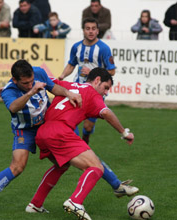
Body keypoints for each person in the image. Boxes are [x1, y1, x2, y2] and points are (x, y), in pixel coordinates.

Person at [0, 59, 82, 215]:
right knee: (17, 167)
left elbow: (53, 87)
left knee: (64, 162)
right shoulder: (9, 91)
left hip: (46, 125)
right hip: (25, 130)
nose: (29, 85)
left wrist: (68, 93)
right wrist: (31, 92)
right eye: (25, 83)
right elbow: (14, 107)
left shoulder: (39, 73)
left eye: (31, 82)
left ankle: (35, 205)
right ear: (15, 80)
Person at [25, 68, 134, 220]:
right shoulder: (92, 94)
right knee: (96, 167)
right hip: (60, 133)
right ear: (96, 81)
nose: (106, 93)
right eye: (106, 88)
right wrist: (124, 133)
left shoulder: (68, 85)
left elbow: (45, 81)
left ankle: (35, 204)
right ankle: (75, 201)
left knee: (61, 165)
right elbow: (106, 113)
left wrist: (10, 86)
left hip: (43, 132)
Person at [58, 17, 138, 199]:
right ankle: (85, 150)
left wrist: (93, 72)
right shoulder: (76, 47)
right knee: (74, 148)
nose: (91, 31)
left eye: (94, 28)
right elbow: (71, 63)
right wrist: (62, 75)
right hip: (76, 95)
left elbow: (111, 71)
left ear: (97, 30)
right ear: (83, 30)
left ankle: (83, 145)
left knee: (86, 128)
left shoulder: (103, 48)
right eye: (88, 28)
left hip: (92, 95)